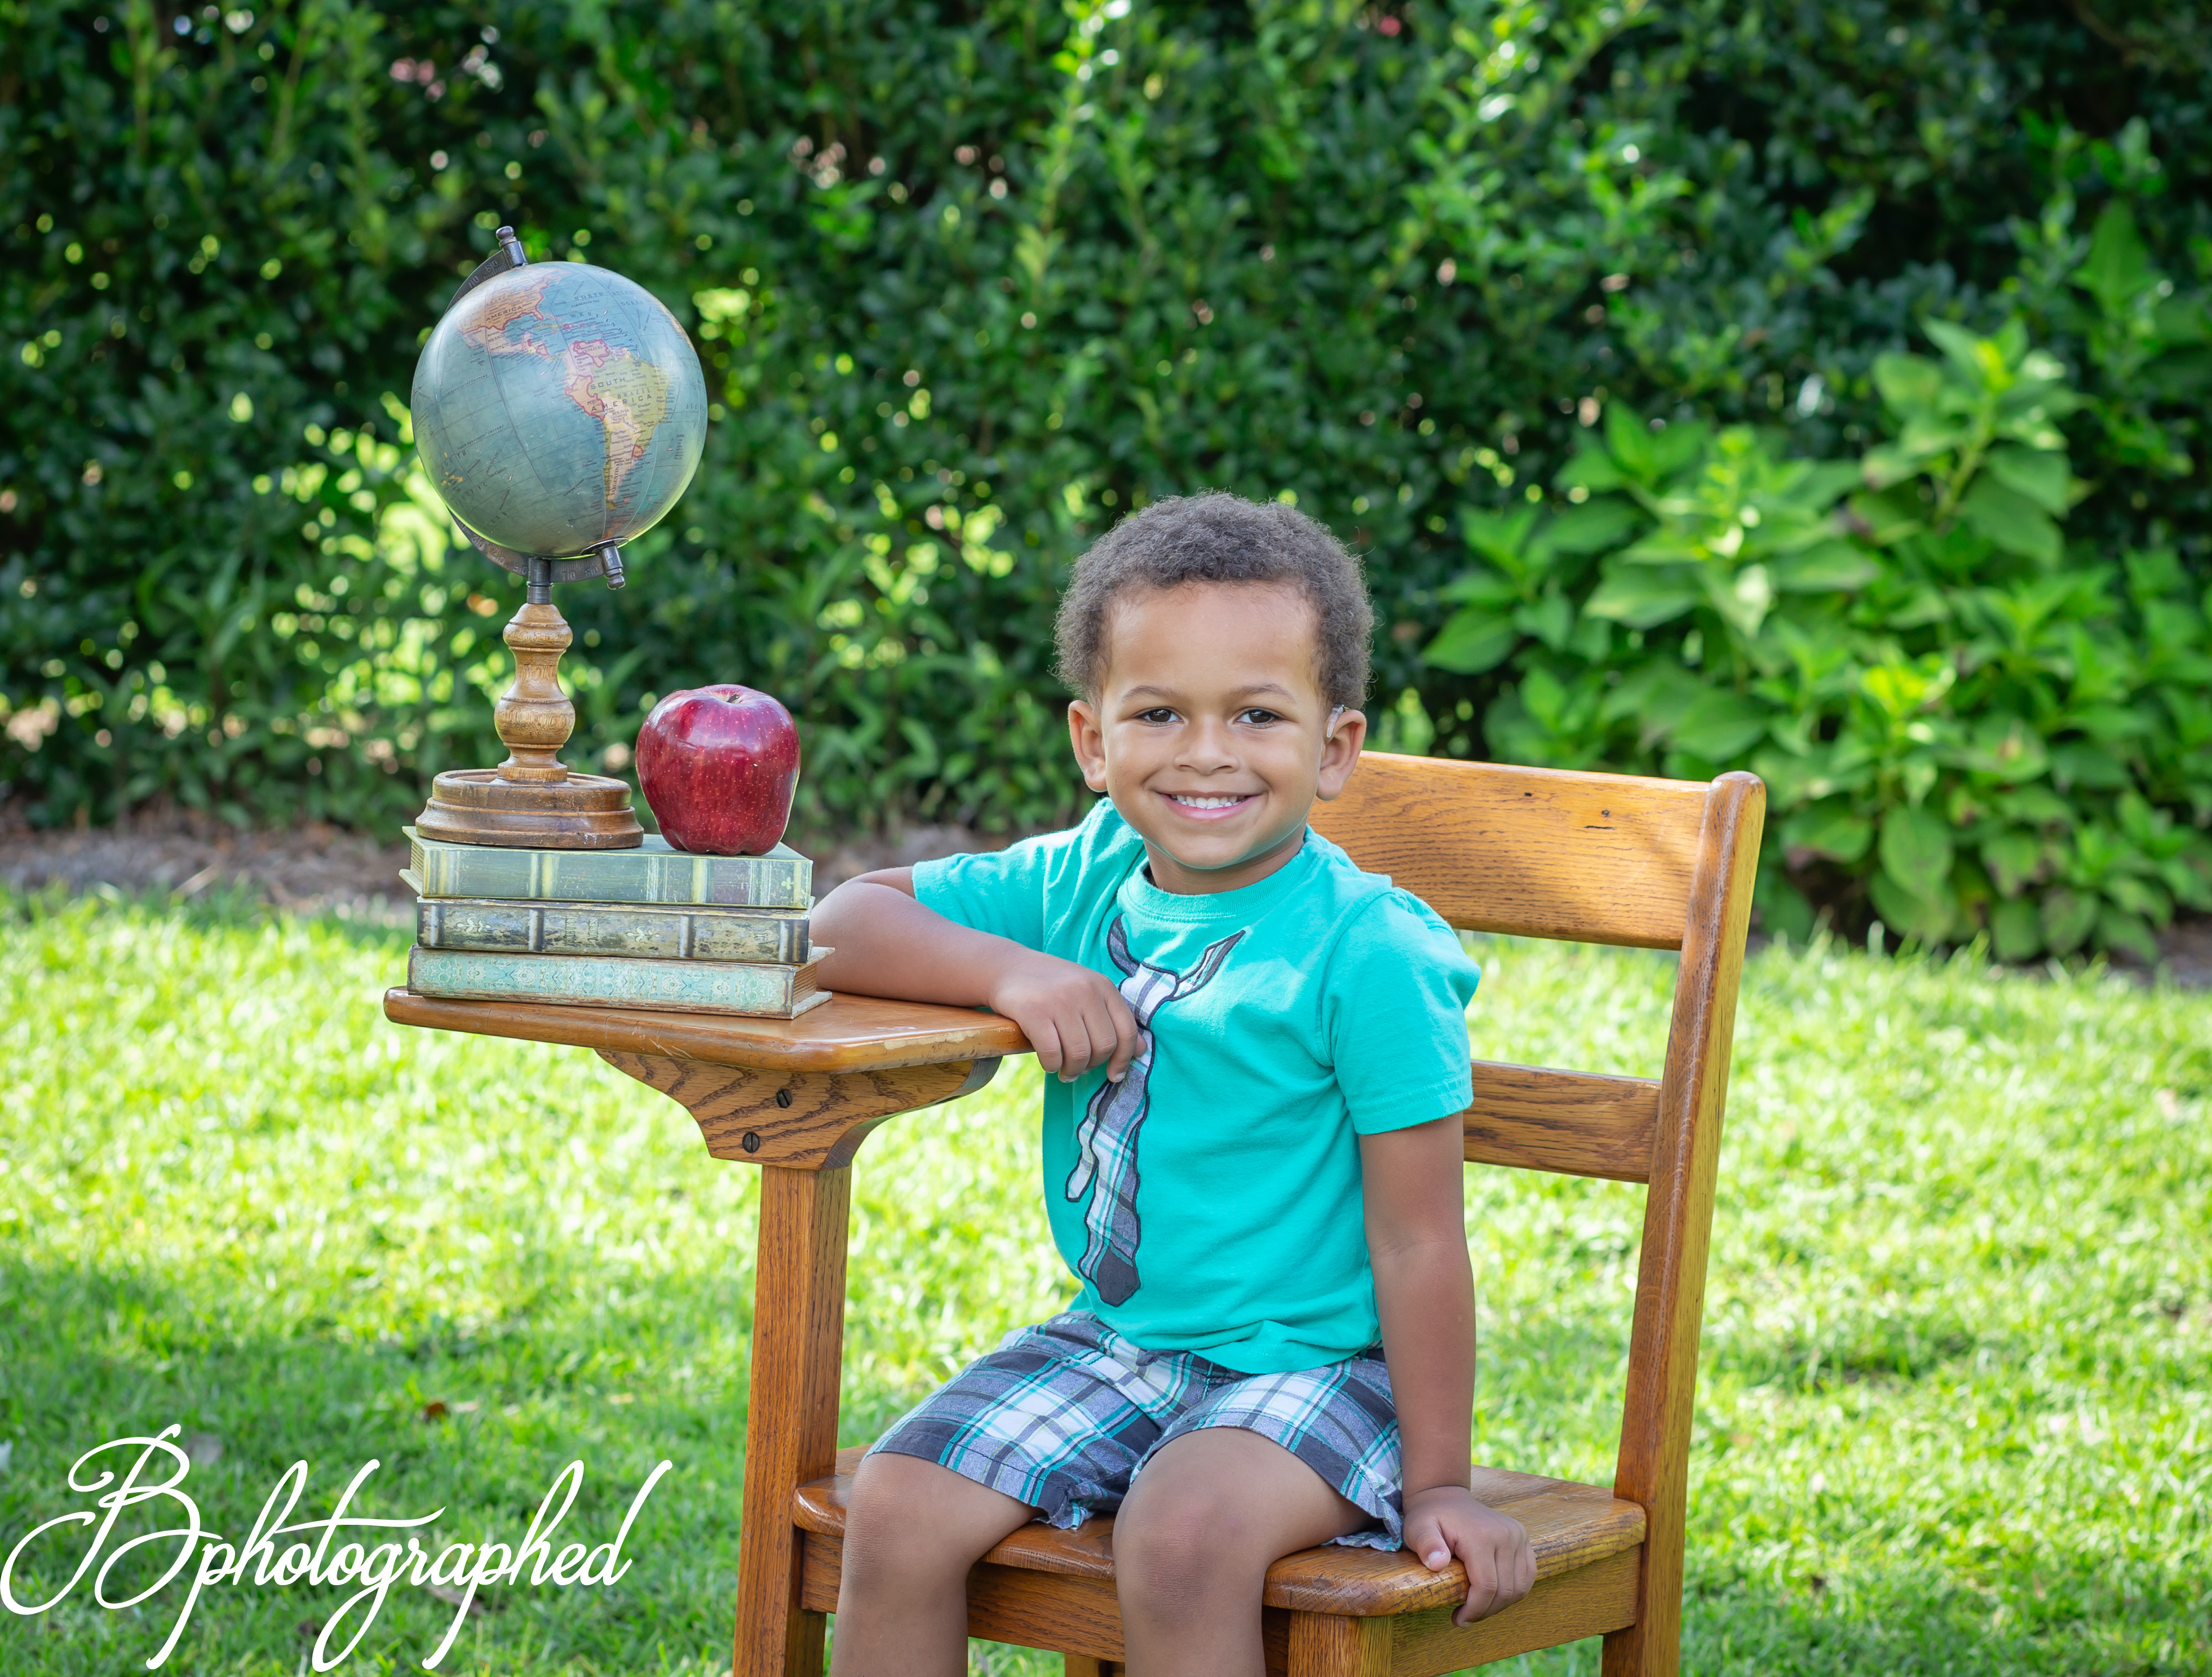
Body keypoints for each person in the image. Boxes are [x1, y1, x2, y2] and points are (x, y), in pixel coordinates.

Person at [810, 492, 1534, 1677]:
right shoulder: (1086, 874)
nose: (1206, 751)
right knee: (895, 1508)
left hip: (1326, 1367)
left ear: (1334, 747)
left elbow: (1419, 1241)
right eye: (1159, 713)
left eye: (1257, 714)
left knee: (1181, 1536)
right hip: (1121, 1345)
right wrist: (1012, 973)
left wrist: (1442, 1483)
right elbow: (841, 925)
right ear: (1093, 742)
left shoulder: (1369, 951)